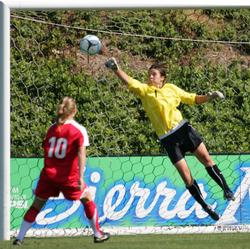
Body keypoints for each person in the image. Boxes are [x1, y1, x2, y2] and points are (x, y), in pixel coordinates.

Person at [105, 58, 235, 221]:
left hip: (184, 130)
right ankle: (205, 206)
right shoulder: (145, 91)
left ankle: (226, 189)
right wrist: (116, 69)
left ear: (162, 78)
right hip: (168, 140)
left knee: (207, 159)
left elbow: (192, 98)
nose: (150, 77)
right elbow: (129, 81)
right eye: (149, 75)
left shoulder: (171, 89)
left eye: (154, 74)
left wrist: (209, 97)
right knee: (187, 178)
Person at [13, 97, 110, 245]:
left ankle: (19, 238)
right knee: (87, 198)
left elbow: (46, 148)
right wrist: (80, 177)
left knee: (36, 205)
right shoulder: (79, 130)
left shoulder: (52, 128)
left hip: (48, 175)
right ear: (75, 111)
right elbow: (81, 154)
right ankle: (98, 234)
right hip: (68, 176)